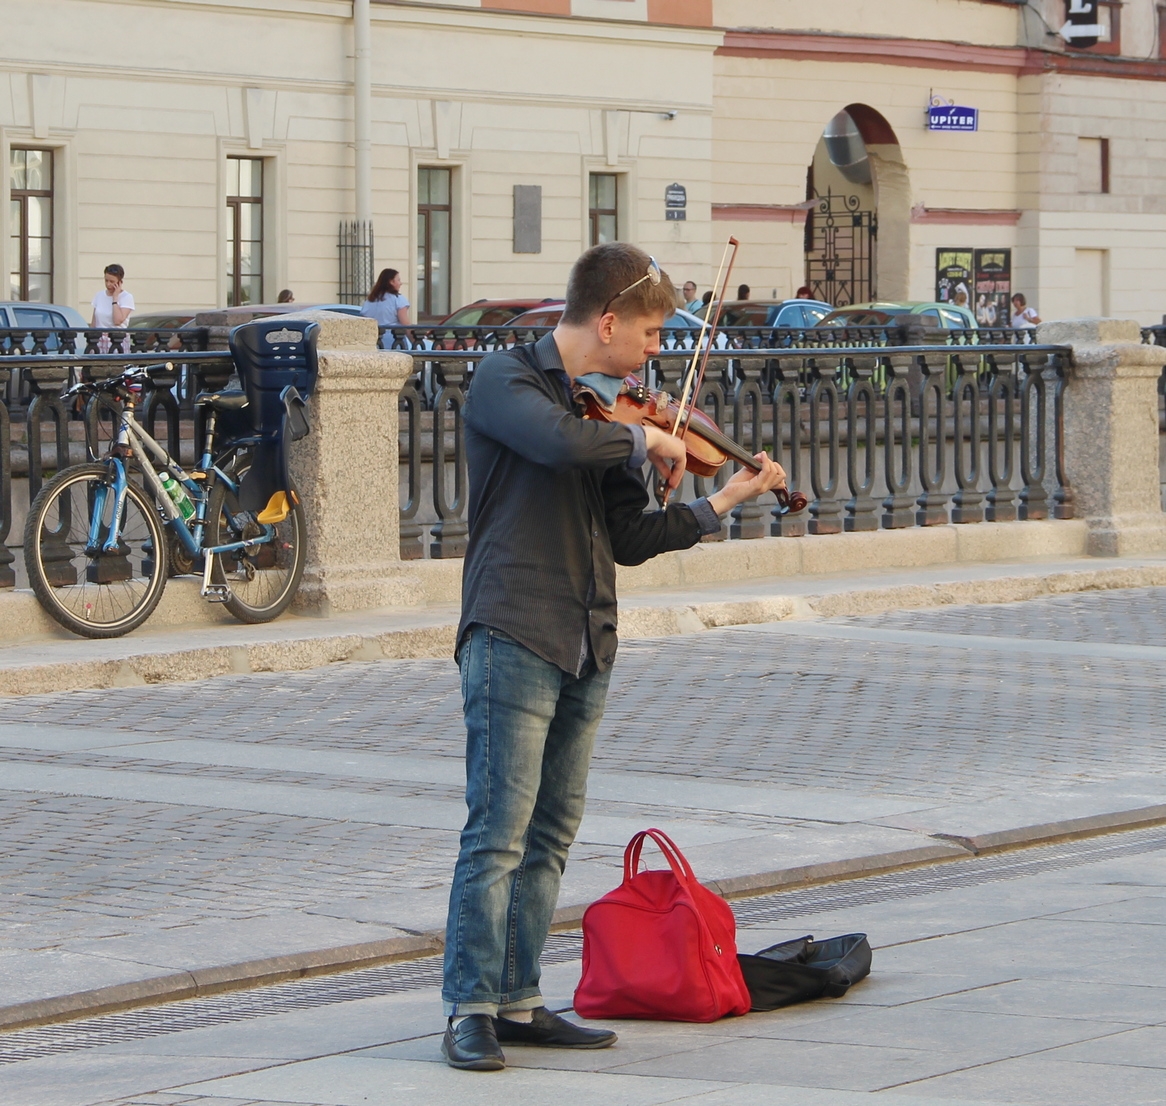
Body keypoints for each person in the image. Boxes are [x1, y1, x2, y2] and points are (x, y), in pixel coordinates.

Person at [440, 241, 787, 1072]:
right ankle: (470, 1008)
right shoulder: (507, 382)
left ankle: (521, 1000)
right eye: (653, 333)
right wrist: (647, 442)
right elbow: (560, 446)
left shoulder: (612, 415)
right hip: (513, 627)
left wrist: (718, 501)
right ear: (607, 322)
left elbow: (631, 538)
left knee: (553, 830)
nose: (658, 352)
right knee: (497, 833)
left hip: (589, 633)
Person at [91, 264, 134, 329]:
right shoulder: (99, 295)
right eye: (106, 280)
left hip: (117, 337)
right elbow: (94, 322)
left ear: (120, 282)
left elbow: (117, 321)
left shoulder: (127, 297)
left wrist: (115, 298)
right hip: (99, 337)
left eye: (112, 281)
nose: (108, 284)